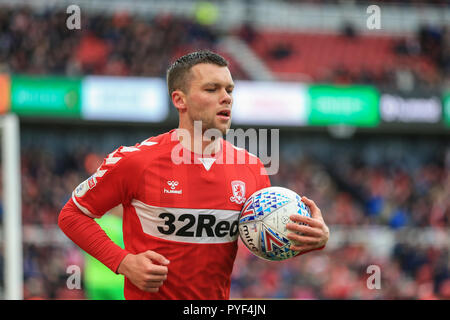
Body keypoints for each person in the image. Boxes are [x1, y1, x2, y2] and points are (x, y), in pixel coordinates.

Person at [58, 50, 329, 300]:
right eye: (212, 89)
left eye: (229, 90)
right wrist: (124, 262)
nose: (226, 98)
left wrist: (310, 239)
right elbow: (71, 215)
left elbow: (264, 240)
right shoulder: (135, 161)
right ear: (180, 99)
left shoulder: (253, 169)